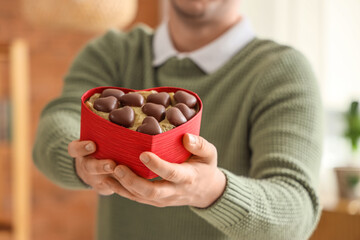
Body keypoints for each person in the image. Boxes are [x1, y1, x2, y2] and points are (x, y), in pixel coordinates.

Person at [33, 0, 323, 239]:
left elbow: (297, 212)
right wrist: (83, 162)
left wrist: (211, 191)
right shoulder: (113, 52)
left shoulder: (282, 72)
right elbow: (55, 128)